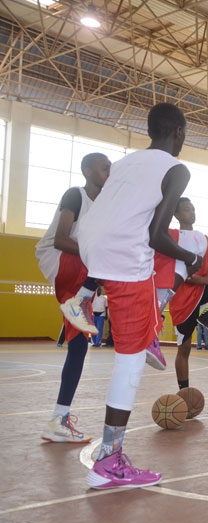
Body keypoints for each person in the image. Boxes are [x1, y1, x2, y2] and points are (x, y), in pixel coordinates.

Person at [77, 102, 200, 489]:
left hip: (90, 248)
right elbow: (157, 235)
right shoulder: (176, 169)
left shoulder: (129, 160)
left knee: (149, 281)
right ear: (178, 133)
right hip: (122, 256)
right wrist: (190, 256)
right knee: (128, 365)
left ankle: (127, 323)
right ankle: (109, 462)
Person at [35, 152, 111, 443]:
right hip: (59, 259)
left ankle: (59, 420)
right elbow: (61, 239)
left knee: (78, 347)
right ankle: (82, 298)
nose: (109, 172)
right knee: (111, 256)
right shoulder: (76, 195)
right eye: (105, 168)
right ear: (88, 170)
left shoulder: (104, 206)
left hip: (80, 270)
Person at [159, 197, 208, 390]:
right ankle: (184, 391)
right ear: (176, 214)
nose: (191, 212)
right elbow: (183, 275)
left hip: (203, 291)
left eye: (193, 209)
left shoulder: (204, 238)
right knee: (184, 349)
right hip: (183, 298)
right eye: (186, 209)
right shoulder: (172, 237)